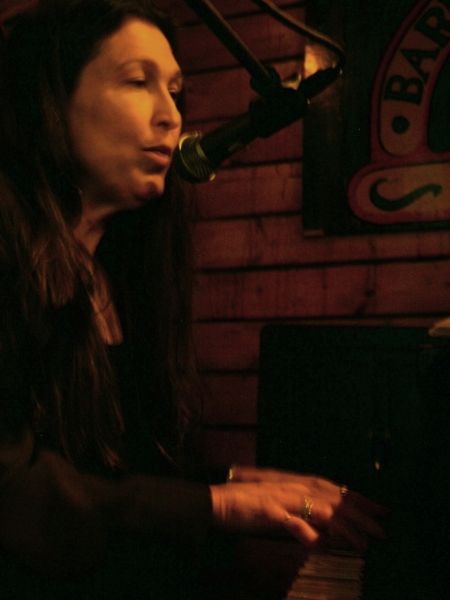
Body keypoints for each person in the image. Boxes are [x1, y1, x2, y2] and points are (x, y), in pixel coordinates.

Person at [0, 0, 386, 598]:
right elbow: (17, 492)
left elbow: (109, 477)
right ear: (47, 99)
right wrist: (218, 505)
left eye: (176, 92)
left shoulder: (113, 272)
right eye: (138, 82)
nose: (171, 117)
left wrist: (230, 482)